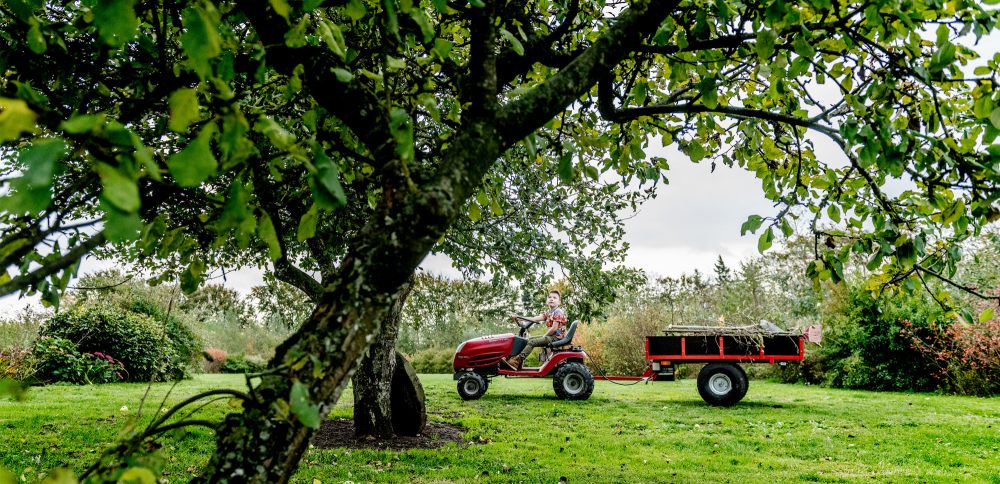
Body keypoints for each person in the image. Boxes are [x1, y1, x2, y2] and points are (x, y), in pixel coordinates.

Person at [502, 290, 568, 370]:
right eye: (550, 297)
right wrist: (519, 317)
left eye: (554, 298)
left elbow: (554, 328)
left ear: (559, 302)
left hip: (557, 338)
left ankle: (517, 360)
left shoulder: (558, 312)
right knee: (529, 340)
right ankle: (514, 360)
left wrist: (544, 336)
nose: (551, 299)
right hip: (552, 337)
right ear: (547, 300)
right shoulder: (548, 313)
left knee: (533, 342)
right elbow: (534, 318)